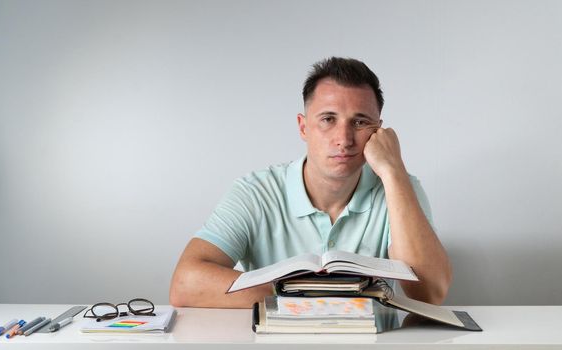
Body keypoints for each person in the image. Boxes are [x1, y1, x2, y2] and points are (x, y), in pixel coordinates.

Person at [169, 57, 452, 308]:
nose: (344, 139)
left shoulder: (400, 187)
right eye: (328, 119)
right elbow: (185, 284)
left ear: (378, 130)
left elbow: (430, 294)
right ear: (304, 127)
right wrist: (302, 295)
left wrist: (393, 172)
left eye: (360, 122)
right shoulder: (255, 192)